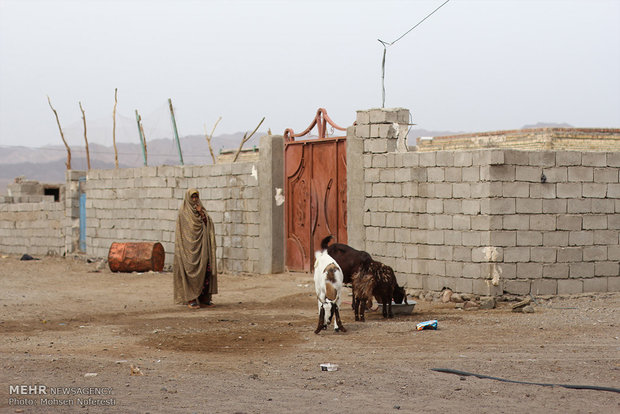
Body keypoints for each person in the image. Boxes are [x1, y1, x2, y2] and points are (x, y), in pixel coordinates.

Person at [173, 188, 218, 309]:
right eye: (192, 197)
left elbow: (208, 224)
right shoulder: (183, 212)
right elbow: (182, 232)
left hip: (203, 247)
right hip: (188, 250)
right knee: (190, 271)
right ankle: (191, 299)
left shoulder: (201, 210)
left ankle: (204, 298)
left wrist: (201, 214)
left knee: (205, 270)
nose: (194, 199)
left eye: (196, 197)